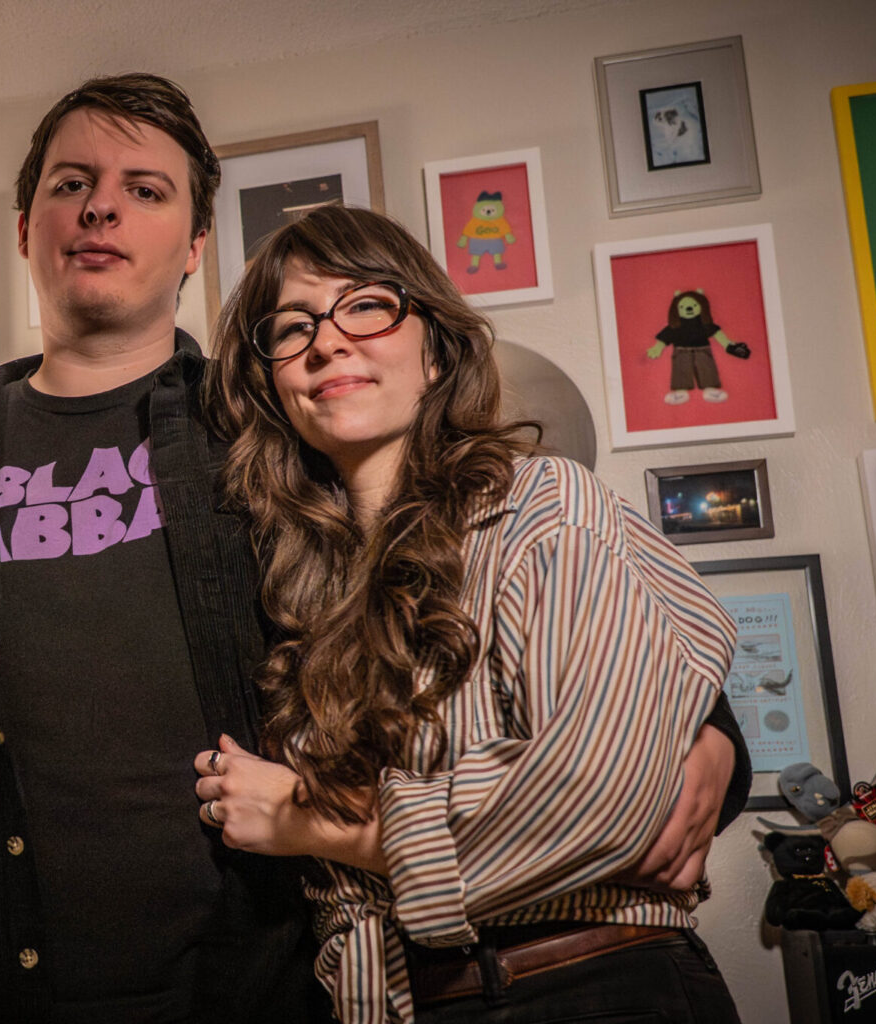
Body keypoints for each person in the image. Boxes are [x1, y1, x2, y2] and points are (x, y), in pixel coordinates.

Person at [0, 74, 746, 1024]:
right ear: (27, 226)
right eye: (72, 184)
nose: (102, 208)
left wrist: (713, 738)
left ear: (195, 244)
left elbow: (512, 601)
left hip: (266, 986)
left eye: (143, 190)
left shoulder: (277, 436)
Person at [194, 204, 746, 1023]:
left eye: (368, 305)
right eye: (290, 326)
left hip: (582, 987)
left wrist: (317, 821)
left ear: (436, 347)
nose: (327, 340)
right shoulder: (291, 589)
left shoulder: (546, 504)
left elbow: (597, 797)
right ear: (272, 385)